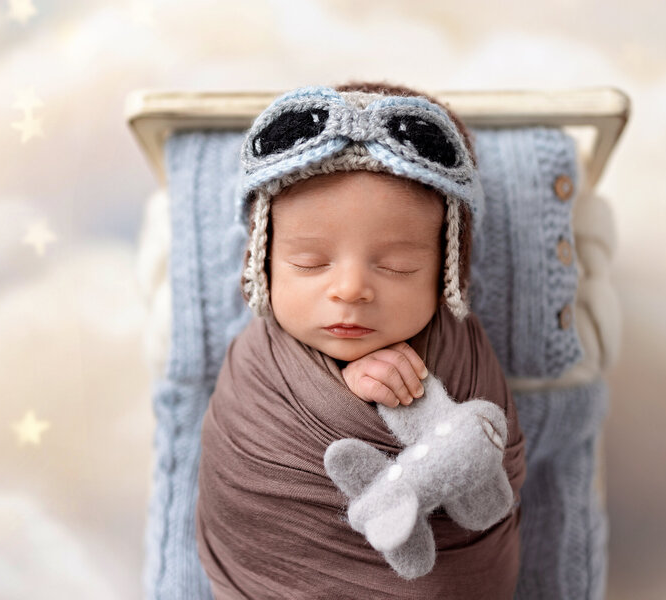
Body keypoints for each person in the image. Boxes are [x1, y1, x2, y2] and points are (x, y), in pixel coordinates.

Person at [194, 81, 527, 599]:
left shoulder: (464, 356)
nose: (350, 289)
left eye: (397, 266)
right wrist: (348, 390)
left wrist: (421, 400)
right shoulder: (256, 369)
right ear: (261, 266)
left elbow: (494, 468)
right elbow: (243, 499)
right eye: (310, 264)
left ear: (447, 274)